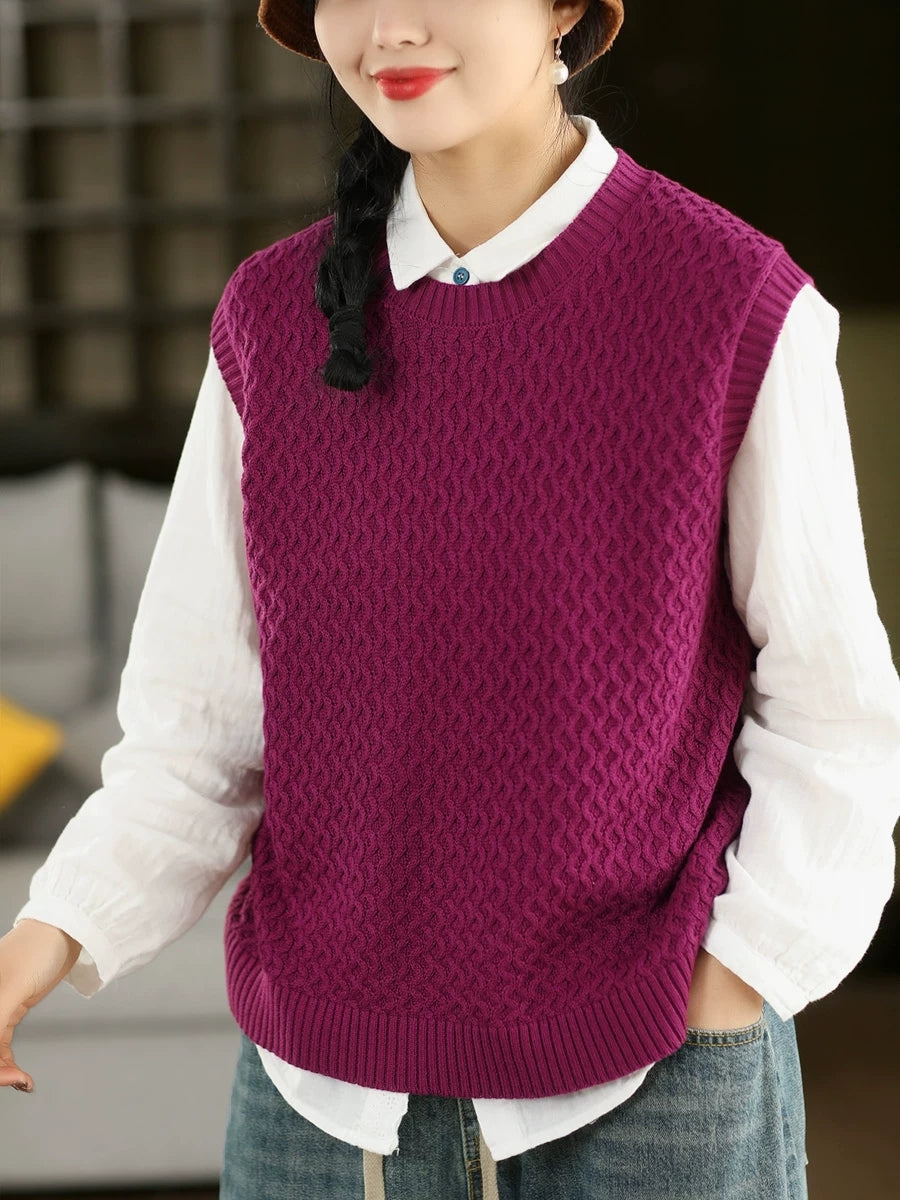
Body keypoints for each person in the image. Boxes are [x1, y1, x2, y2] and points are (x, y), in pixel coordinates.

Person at [3, 2, 900, 1197]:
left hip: (654, 1080)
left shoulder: (734, 303)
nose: (391, 28)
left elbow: (833, 718)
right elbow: (198, 735)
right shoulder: (269, 319)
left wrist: (738, 979)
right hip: (314, 1104)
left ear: (565, 8)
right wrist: (43, 937)